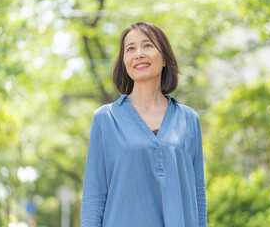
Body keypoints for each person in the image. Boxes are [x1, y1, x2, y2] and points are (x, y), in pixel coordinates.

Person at [80, 22, 207, 227]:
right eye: (130, 49)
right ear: (124, 62)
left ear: (164, 58)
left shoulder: (188, 119)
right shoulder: (105, 118)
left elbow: (198, 195)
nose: (138, 54)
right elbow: (94, 197)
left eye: (147, 46)